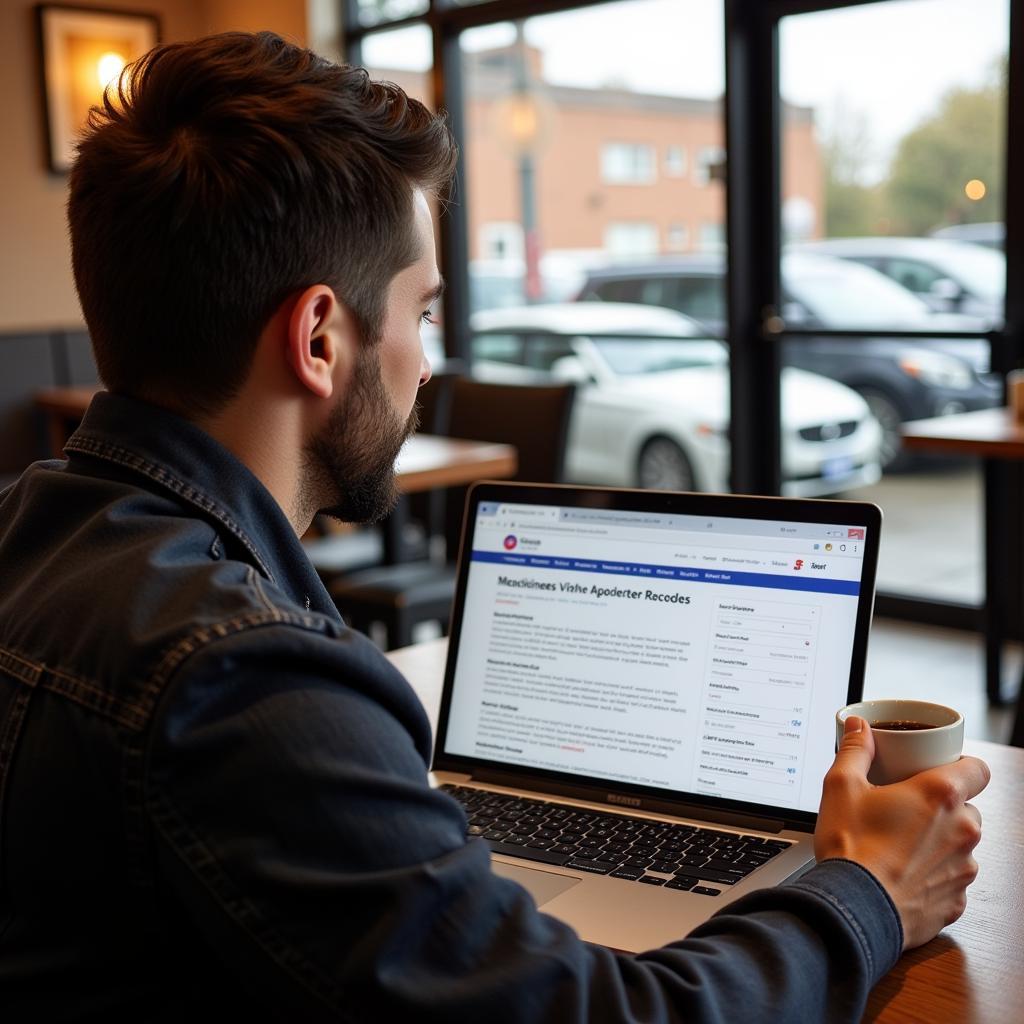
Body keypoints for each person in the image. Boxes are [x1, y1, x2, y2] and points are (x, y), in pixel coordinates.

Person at [0, 31, 988, 1022]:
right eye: (421, 314)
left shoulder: (28, 532)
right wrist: (868, 891)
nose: (427, 364)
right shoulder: (238, 681)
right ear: (317, 338)